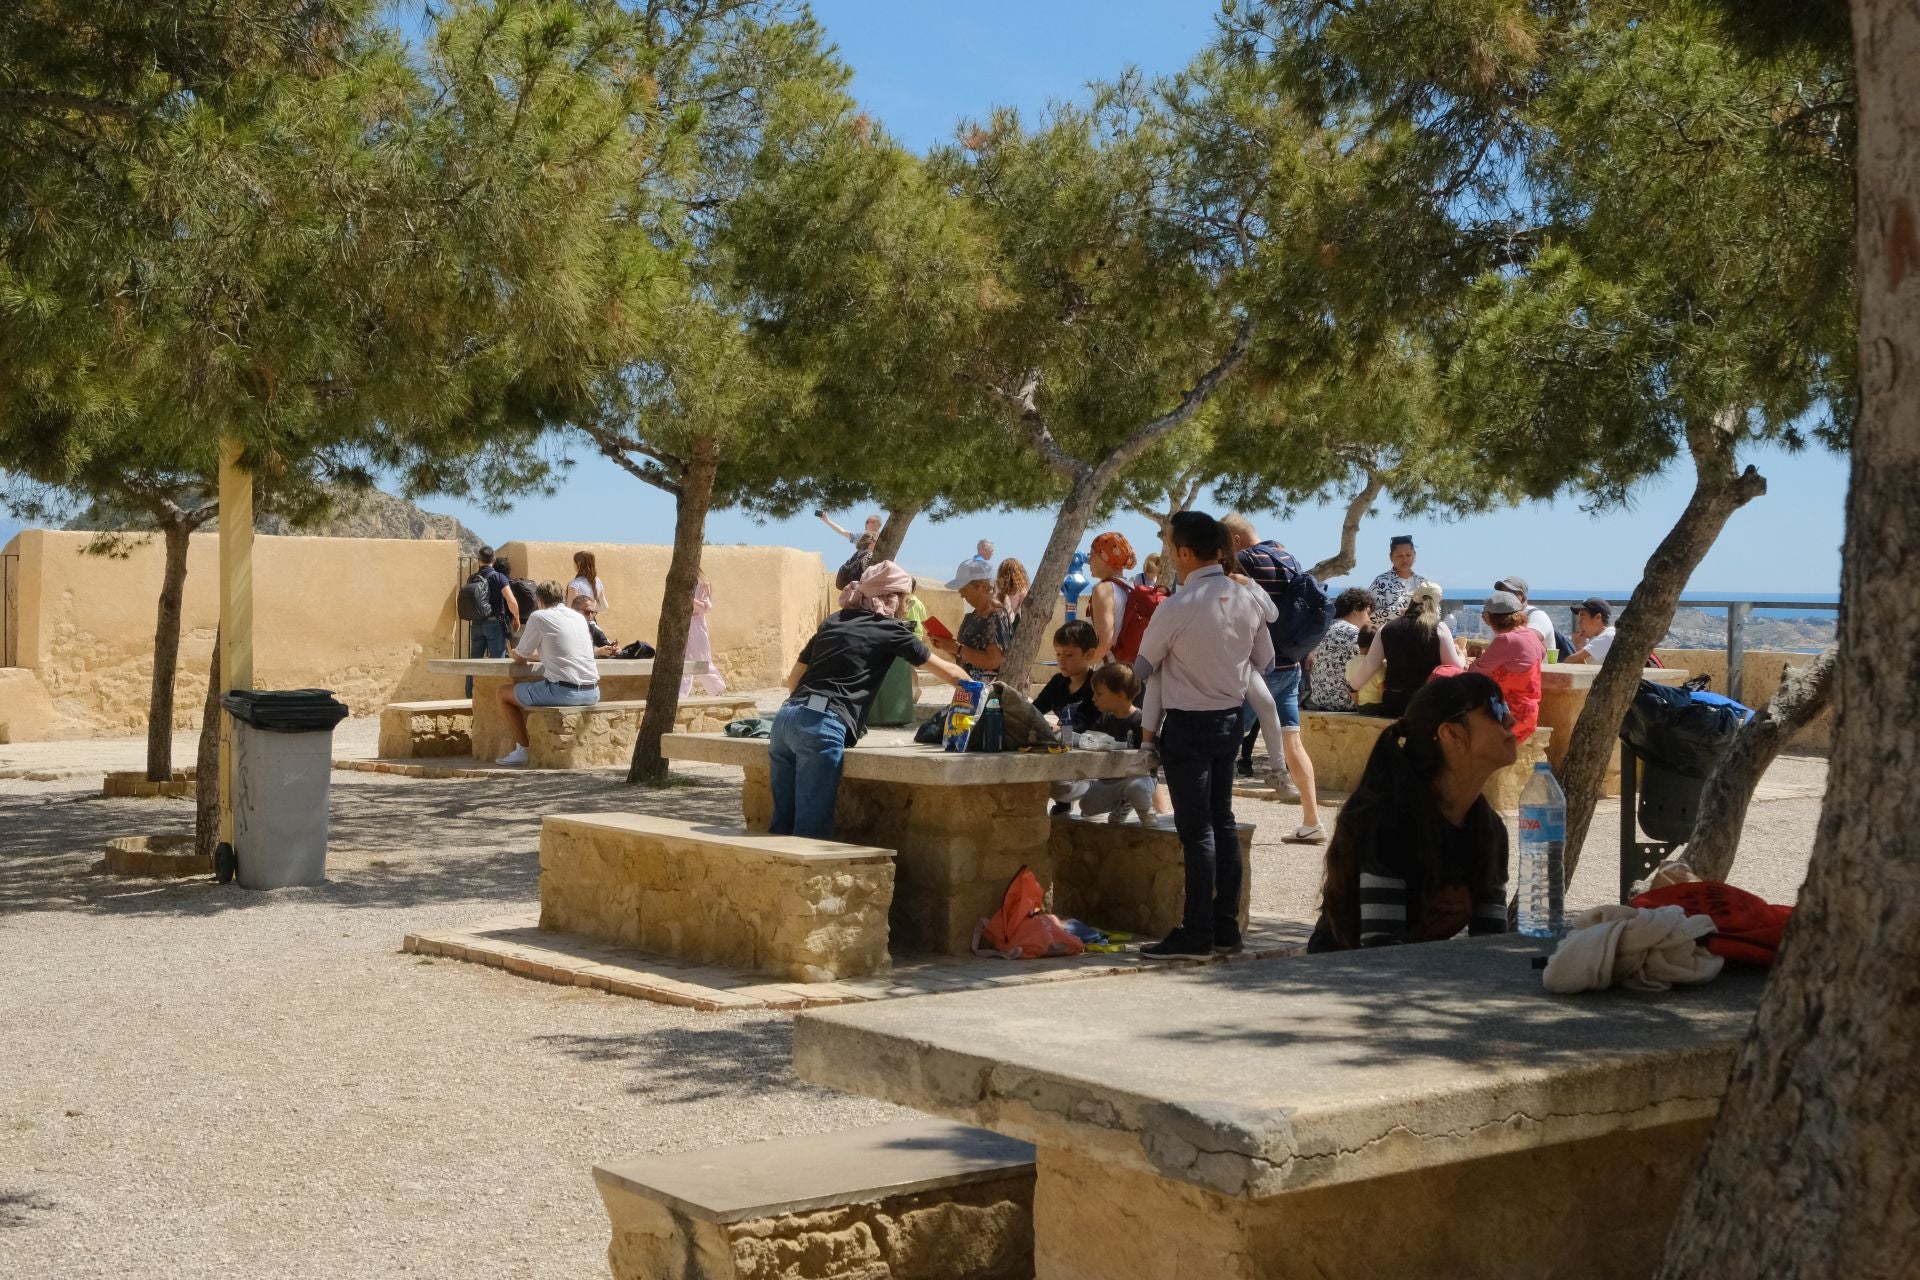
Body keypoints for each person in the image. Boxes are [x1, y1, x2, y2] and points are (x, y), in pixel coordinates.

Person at [1133, 511, 1274, 959]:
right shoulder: (1246, 595)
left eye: (1171, 547)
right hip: (1230, 719)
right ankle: (1225, 928)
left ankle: (1195, 933)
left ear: (1186, 553)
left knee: (1197, 832)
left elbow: (1143, 667)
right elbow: (1265, 659)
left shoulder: (1177, 605)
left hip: (1189, 724)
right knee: (1223, 822)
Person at [1306, 672, 1516, 952]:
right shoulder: (1390, 822)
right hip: (1341, 982)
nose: (1510, 720)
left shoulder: (1489, 829)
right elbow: (1381, 952)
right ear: (1452, 734)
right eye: (1496, 709)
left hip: (1411, 979)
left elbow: (1489, 948)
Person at [773, 561, 968, 837]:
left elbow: (793, 681)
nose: (906, 607)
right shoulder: (892, 630)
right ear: (891, 598)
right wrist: (987, 691)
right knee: (810, 833)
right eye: (905, 600)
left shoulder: (833, 621)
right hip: (821, 724)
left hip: (785, 720)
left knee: (780, 827)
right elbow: (950, 674)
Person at [1220, 513, 1322, 836]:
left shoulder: (1245, 561)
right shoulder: (1288, 555)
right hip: (1291, 665)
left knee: (1226, 741)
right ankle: (1312, 821)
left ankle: (1217, 821)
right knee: (1293, 742)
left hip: (1259, 668)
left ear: (1234, 540)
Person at [494, 581, 600, 765]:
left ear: (539, 600)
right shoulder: (578, 618)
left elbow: (520, 658)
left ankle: (523, 750)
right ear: (562, 598)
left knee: (503, 693)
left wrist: (514, 651)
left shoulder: (539, 617)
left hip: (564, 692)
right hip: (593, 692)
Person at [1051, 663, 1156, 824]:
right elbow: (1088, 739)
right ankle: (1121, 801)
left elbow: (1151, 761)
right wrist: (1064, 735)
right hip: (1108, 779)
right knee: (1087, 807)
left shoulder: (1140, 722)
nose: (1093, 699)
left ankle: (1143, 809)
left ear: (1120, 695)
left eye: (1099, 694)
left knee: (1137, 788)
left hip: (1137, 778)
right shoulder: (1104, 719)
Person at [1346, 579, 1464, 717]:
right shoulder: (1439, 628)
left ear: (1412, 602)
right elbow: (1453, 666)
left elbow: (1369, 664)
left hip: (1394, 704)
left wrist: (1353, 687)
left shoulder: (1387, 628)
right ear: (1436, 605)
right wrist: (1462, 656)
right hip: (1427, 703)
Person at [1468, 590, 1544, 741]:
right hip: (1527, 714)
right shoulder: (1531, 636)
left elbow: (1475, 671)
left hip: (1507, 715)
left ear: (1491, 617)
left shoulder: (1506, 640)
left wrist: (1464, 659)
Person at [933, 558, 1009, 678]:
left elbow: (993, 661)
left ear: (983, 587)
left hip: (986, 692)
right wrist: (947, 645)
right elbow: (965, 658)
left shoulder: (996, 616)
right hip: (967, 690)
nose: (962, 594)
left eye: (965, 589)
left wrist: (957, 648)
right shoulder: (971, 617)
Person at [1305, 588, 1375, 711]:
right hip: (1349, 702)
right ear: (1356, 609)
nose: (1369, 619)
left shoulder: (1320, 629)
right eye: (1368, 613)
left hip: (1320, 700)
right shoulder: (1355, 634)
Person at [463, 546, 514, 697]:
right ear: (493, 560)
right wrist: (516, 618)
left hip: (477, 624)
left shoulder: (472, 578)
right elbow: (511, 601)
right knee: (497, 661)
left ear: (479, 560)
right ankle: (496, 696)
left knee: (474, 661)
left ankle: (470, 696)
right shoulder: (498, 577)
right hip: (494, 624)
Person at [1084, 531, 1138, 665]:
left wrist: (1081, 668)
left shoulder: (1103, 589)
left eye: (1092, 555)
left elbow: (1105, 642)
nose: (1088, 561)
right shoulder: (1132, 587)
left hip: (1110, 675)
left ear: (1105, 557)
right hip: (1132, 674)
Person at [1493, 576, 1561, 658]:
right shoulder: (1503, 617)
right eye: (1502, 593)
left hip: (1540, 669)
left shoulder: (1538, 616)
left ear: (1523, 596)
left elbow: (1524, 642)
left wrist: (1493, 624)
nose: (1504, 596)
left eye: (1510, 592)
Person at [682, 575, 726, 696]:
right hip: (681, 624)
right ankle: (680, 694)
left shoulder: (703, 584)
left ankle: (717, 688)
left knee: (702, 658)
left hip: (697, 626)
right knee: (683, 660)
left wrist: (690, 601)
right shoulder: (678, 582)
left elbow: (706, 607)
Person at [1367, 534, 1420, 623]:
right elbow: (1369, 614)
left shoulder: (1423, 583)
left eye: (1408, 555)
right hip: (1388, 634)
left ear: (1414, 555)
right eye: (1399, 556)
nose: (1404, 559)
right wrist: (1400, 611)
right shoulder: (1380, 582)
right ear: (1391, 557)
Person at [1565, 597, 1617, 664]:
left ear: (1598, 617)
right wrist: (1578, 645)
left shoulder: (1608, 636)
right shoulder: (1596, 637)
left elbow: (1571, 659)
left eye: (1582, 618)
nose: (1579, 622)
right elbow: (1585, 668)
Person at [569, 594, 619, 658]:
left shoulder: (592, 628)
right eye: (587, 612)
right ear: (574, 611)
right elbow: (567, 652)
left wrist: (614, 649)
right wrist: (595, 652)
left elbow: (606, 644)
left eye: (592, 613)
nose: (591, 616)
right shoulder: (566, 628)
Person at [494, 555, 529, 641]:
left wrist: (515, 617)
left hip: (508, 623)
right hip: (524, 622)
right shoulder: (515, 583)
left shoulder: (500, 583)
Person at [816, 511, 883, 547]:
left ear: (879, 525)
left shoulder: (884, 537)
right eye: (867, 522)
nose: (868, 523)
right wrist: (827, 520)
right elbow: (842, 531)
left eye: (874, 522)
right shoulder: (861, 537)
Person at [996, 557, 1030, 626]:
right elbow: (1026, 607)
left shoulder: (996, 586)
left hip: (995, 621)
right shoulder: (1020, 588)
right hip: (1009, 624)